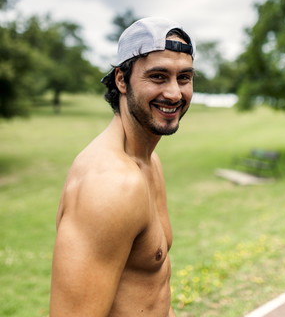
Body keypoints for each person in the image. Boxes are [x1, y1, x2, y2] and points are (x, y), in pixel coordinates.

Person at [49, 17, 196, 317]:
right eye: (158, 76)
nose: (174, 93)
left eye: (184, 77)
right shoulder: (111, 185)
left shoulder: (149, 161)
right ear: (121, 80)